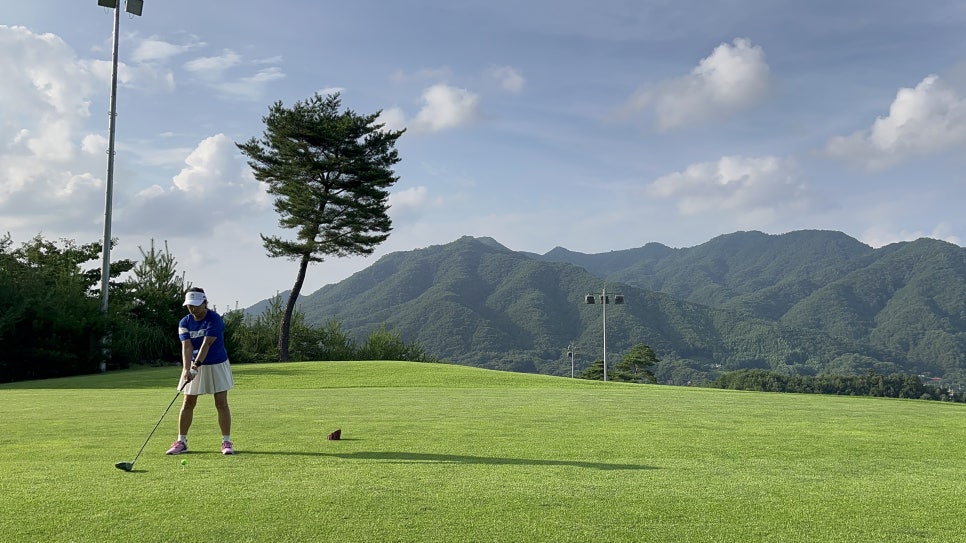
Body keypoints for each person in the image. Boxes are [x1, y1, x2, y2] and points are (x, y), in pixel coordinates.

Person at [166, 287, 235, 456]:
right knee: (188, 402)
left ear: (205, 303)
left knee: (221, 402)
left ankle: (226, 441)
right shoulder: (184, 322)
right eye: (190, 306)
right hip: (194, 363)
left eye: (197, 305)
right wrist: (186, 369)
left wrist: (195, 366)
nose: (193, 309)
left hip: (217, 363)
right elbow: (187, 346)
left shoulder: (214, 319)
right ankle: (181, 441)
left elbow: (207, 344)